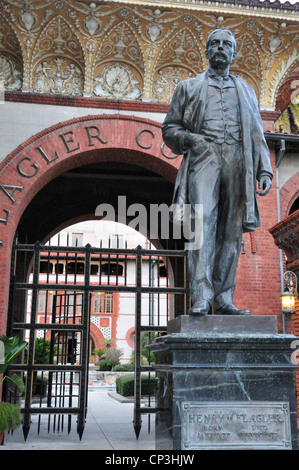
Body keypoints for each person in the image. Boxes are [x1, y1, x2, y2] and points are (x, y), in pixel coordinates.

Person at [162, 29, 273, 316]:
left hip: (238, 159)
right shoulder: (188, 87)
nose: (221, 48)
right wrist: (192, 140)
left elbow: (257, 133)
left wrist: (265, 170)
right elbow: (170, 129)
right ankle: (201, 296)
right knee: (202, 225)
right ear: (207, 51)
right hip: (204, 157)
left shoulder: (246, 90)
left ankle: (224, 298)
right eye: (215, 44)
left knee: (231, 230)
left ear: (234, 54)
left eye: (227, 45)